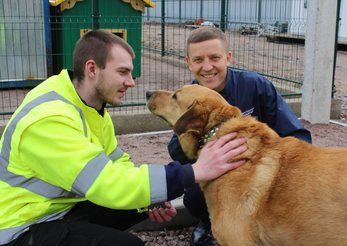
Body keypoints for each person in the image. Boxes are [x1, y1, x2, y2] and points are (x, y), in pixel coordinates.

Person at [0, 29, 248, 246]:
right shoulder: (49, 118)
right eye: (123, 72)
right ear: (92, 69)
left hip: (60, 208)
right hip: (23, 226)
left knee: (142, 202)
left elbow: (116, 163)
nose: (131, 82)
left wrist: (151, 199)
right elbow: (105, 182)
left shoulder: (89, 106)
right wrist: (192, 173)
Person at [168, 26, 312, 246]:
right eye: (198, 60)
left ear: (228, 58)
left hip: (260, 174)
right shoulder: (188, 97)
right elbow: (176, 152)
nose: (207, 67)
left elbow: (297, 134)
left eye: (214, 57)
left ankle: (268, 226)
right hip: (217, 174)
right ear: (189, 63)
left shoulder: (256, 86)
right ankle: (211, 226)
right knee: (195, 197)